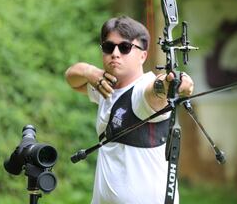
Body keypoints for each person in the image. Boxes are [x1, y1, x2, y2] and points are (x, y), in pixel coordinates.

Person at [65, 16, 194, 204]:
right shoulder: (105, 86)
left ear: (143, 55)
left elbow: (156, 91)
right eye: (109, 47)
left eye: (124, 47)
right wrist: (89, 72)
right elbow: (71, 79)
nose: (115, 53)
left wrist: (171, 83)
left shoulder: (142, 92)